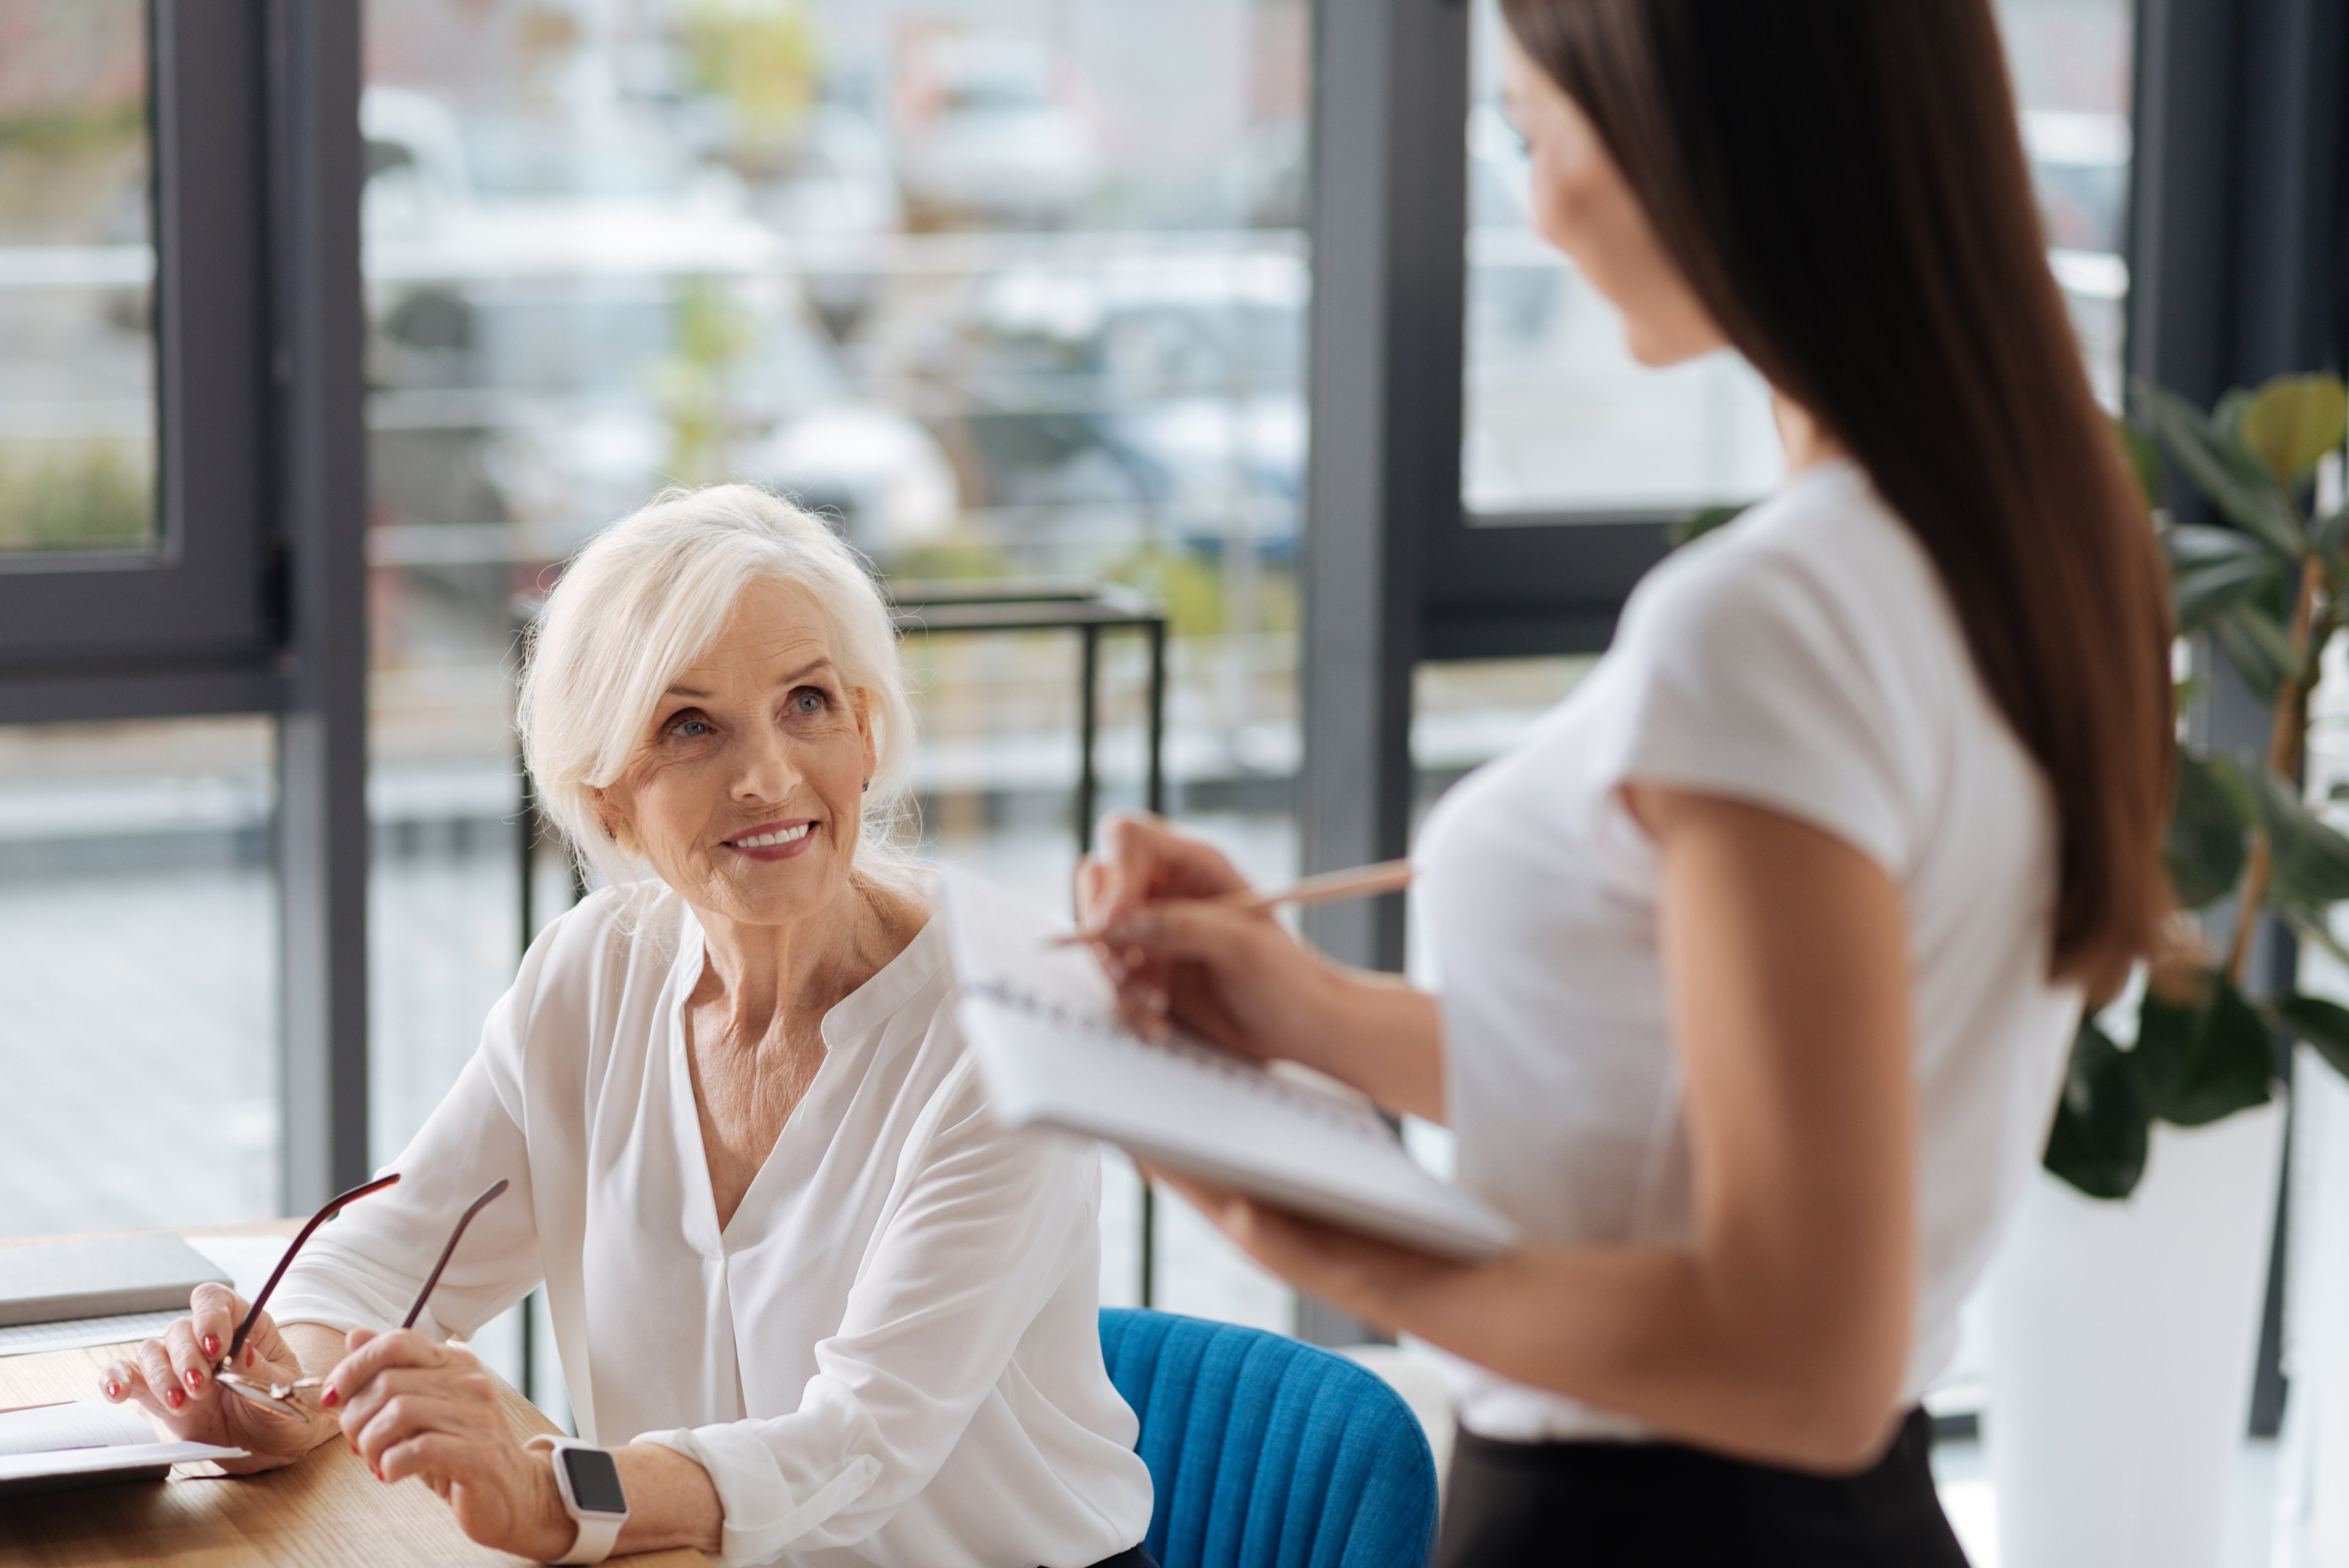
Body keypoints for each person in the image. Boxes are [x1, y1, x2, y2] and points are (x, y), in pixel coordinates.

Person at [1077, 2, 2172, 1563]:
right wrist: (1305, 1009)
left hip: (1638, 1522)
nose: (1534, 206)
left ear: (1704, 130)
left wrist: (1324, 1241)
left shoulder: (1767, 620)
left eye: (1537, 134)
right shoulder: (2030, 545)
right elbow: (1687, 1086)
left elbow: (1801, 1358)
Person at [102, 486, 1157, 1568]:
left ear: (868, 735)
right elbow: (374, 1269)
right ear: (607, 799)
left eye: (807, 702)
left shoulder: (1015, 1027)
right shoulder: (592, 973)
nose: (770, 776)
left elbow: (857, 1447)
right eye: (691, 725)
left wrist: (551, 1493)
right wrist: (277, 1393)